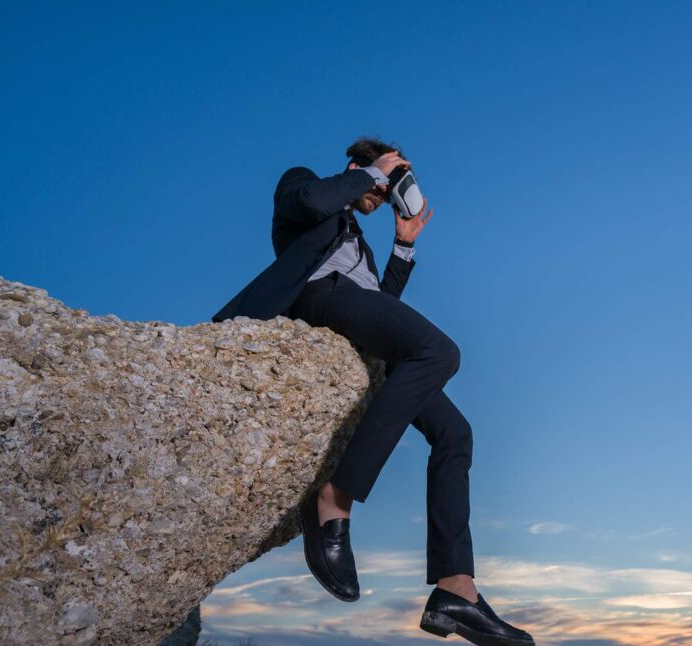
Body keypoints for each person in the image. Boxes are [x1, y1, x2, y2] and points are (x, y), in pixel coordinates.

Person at [211, 136, 535, 646]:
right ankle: (335, 498)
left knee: (455, 432)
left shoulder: (359, 234)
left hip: (355, 315)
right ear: (356, 167)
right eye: (381, 184)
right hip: (320, 299)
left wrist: (402, 243)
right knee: (441, 351)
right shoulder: (305, 188)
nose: (380, 197)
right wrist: (375, 171)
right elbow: (314, 201)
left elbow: (380, 308)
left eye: (386, 192)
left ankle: (456, 589)